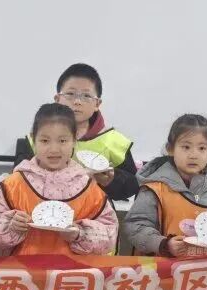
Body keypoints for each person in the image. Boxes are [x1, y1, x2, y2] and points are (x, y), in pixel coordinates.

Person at [0, 103, 118, 256]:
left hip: (73, 269)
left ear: (74, 140)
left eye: (62, 141)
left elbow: (110, 234)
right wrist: (12, 225)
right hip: (24, 267)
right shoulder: (14, 184)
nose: (54, 149)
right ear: (33, 139)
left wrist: (79, 234)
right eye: (45, 141)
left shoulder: (87, 186)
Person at [123, 114, 207, 256]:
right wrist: (163, 244)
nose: (193, 155)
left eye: (202, 148)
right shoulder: (155, 189)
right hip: (162, 267)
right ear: (170, 149)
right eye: (186, 147)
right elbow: (135, 225)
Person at [13, 63, 139, 200]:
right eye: (70, 94)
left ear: (97, 104)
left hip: (94, 209)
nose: (77, 101)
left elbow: (132, 186)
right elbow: (19, 184)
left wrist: (111, 181)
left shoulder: (113, 141)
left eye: (86, 96)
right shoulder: (35, 141)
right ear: (57, 99)